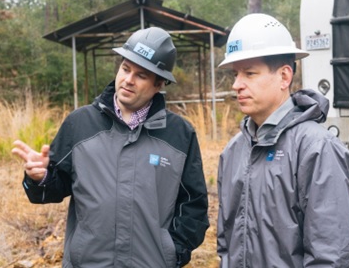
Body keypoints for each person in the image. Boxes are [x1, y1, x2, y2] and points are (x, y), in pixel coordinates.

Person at [12, 27, 209, 268]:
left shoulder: (179, 134)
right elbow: (51, 190)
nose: (128, 79)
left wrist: (172, 254)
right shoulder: (80, 123)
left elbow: (194, 205)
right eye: (125, 69)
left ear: (159, 83)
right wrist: (40, 178)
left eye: (141, 75)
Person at [216, 13, 349, 267]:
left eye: (249, 73)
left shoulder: (317, 149)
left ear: (284, 76)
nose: (237, 84)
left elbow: (331, 255)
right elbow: (226, 243)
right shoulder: (234, 151)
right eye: (235, 74)